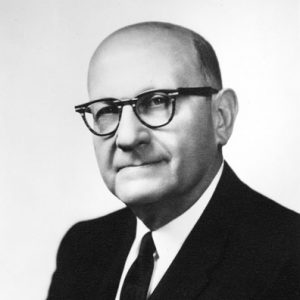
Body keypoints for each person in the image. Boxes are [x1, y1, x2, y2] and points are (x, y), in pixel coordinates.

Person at [47, 22, 300, 300]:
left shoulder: (290, 258)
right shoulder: (83, 248)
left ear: (221, 117)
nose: (127, 138)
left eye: (157, 101)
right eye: (107, 110)